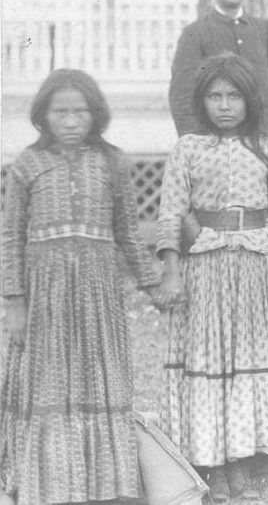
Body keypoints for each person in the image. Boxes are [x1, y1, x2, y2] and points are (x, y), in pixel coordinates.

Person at [154, 54, 268, 502]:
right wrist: (171, 272)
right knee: (211, 362)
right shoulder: (188, 147)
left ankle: (243, 455)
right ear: (201, 101)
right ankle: (211, 460)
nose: (224, 105)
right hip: (206, 266)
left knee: (247, 360)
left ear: (250, 101)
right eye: (214, 96)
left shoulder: (266, 149)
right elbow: (171, 212)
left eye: (234, 96)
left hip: (255, 270)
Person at [0, 70, 160, 504]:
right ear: (43, 116)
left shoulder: (113, 163)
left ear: (96, 114)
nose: (71, 121)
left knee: (96, 373)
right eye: (61, 112)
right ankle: (47, 480)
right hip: (43, 291)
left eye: (80, 111)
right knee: (46, 378)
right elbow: (11, 236)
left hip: (97, 289)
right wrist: (13, 301)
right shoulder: (26, 166)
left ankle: (103, 483)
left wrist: (151, 284)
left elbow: (128, 232)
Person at [167, 0, 268, 321]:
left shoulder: (263, 30)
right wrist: (202, 146)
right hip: (217, 158)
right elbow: (182, 96)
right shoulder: (197, 33)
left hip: (266, 146)